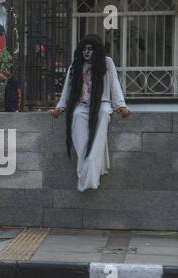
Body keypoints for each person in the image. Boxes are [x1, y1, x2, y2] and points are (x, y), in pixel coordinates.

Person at [51, 34, 131, 192]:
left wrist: (121, 106)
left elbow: (114, 85)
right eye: (84, 49)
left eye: (90, 49)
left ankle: (90, 172)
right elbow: (67, 87)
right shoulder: (76, 65)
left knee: (102, 115)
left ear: (97, 51)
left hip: (102, 104)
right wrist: (60, 107)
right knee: (77, 116)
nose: (86, 52)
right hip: (82, 106)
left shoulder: (106, 63)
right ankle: (89, 168)